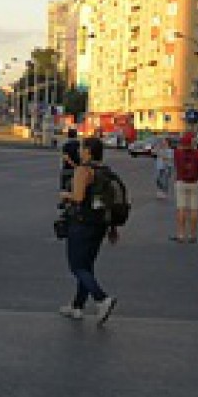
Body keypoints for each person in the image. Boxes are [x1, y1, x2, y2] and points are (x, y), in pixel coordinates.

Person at [57, 136, 119, 324]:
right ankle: (77, 306)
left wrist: (64, 194)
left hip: (82, 224)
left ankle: (102, 298)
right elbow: (111, 202)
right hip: (100, 225)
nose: (80, 152)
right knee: (87, 266)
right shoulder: (105, 172)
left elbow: (78, 197)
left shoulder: (83, 170)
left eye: (83, 148)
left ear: (88, 151)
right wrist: (112, 227)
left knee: (76, 266)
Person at [171, 131, 198, 244]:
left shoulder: (177, 153)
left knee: (181, 208)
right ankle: (192, 234)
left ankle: (181, 234)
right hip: (195, 182)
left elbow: (177, 148)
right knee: (194, 209)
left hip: (181, 182)